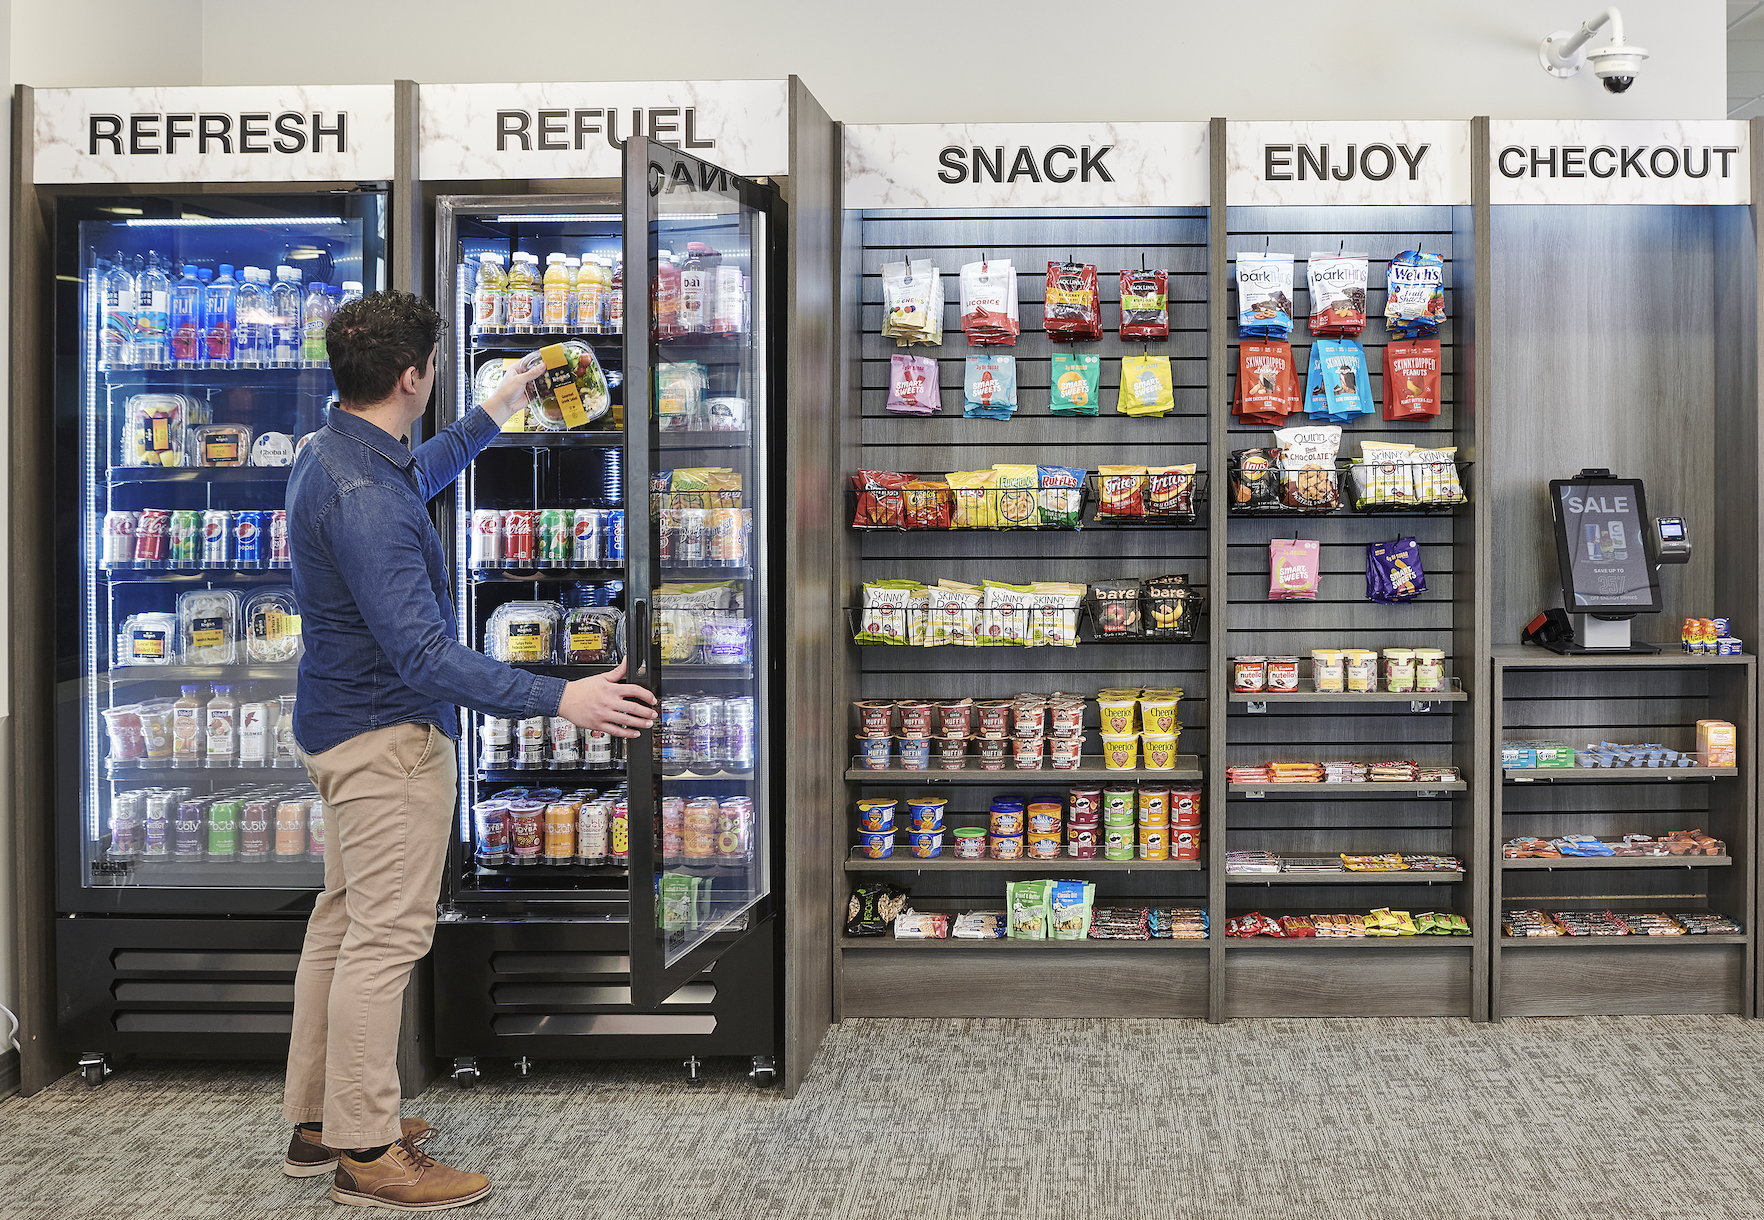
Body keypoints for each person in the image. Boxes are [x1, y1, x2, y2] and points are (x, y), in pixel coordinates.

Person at [278, 291, 656, 1210]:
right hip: (386, 742)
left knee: (340, 925)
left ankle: (321, 1120)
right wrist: (563, 695)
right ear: (414, 376)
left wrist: (494, 412)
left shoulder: (337, 452)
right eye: (436, 366)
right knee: (385, 940)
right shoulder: (367, 498)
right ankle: (367, 1154)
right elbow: (423, 654)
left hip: (339, 723)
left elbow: (419, 473)